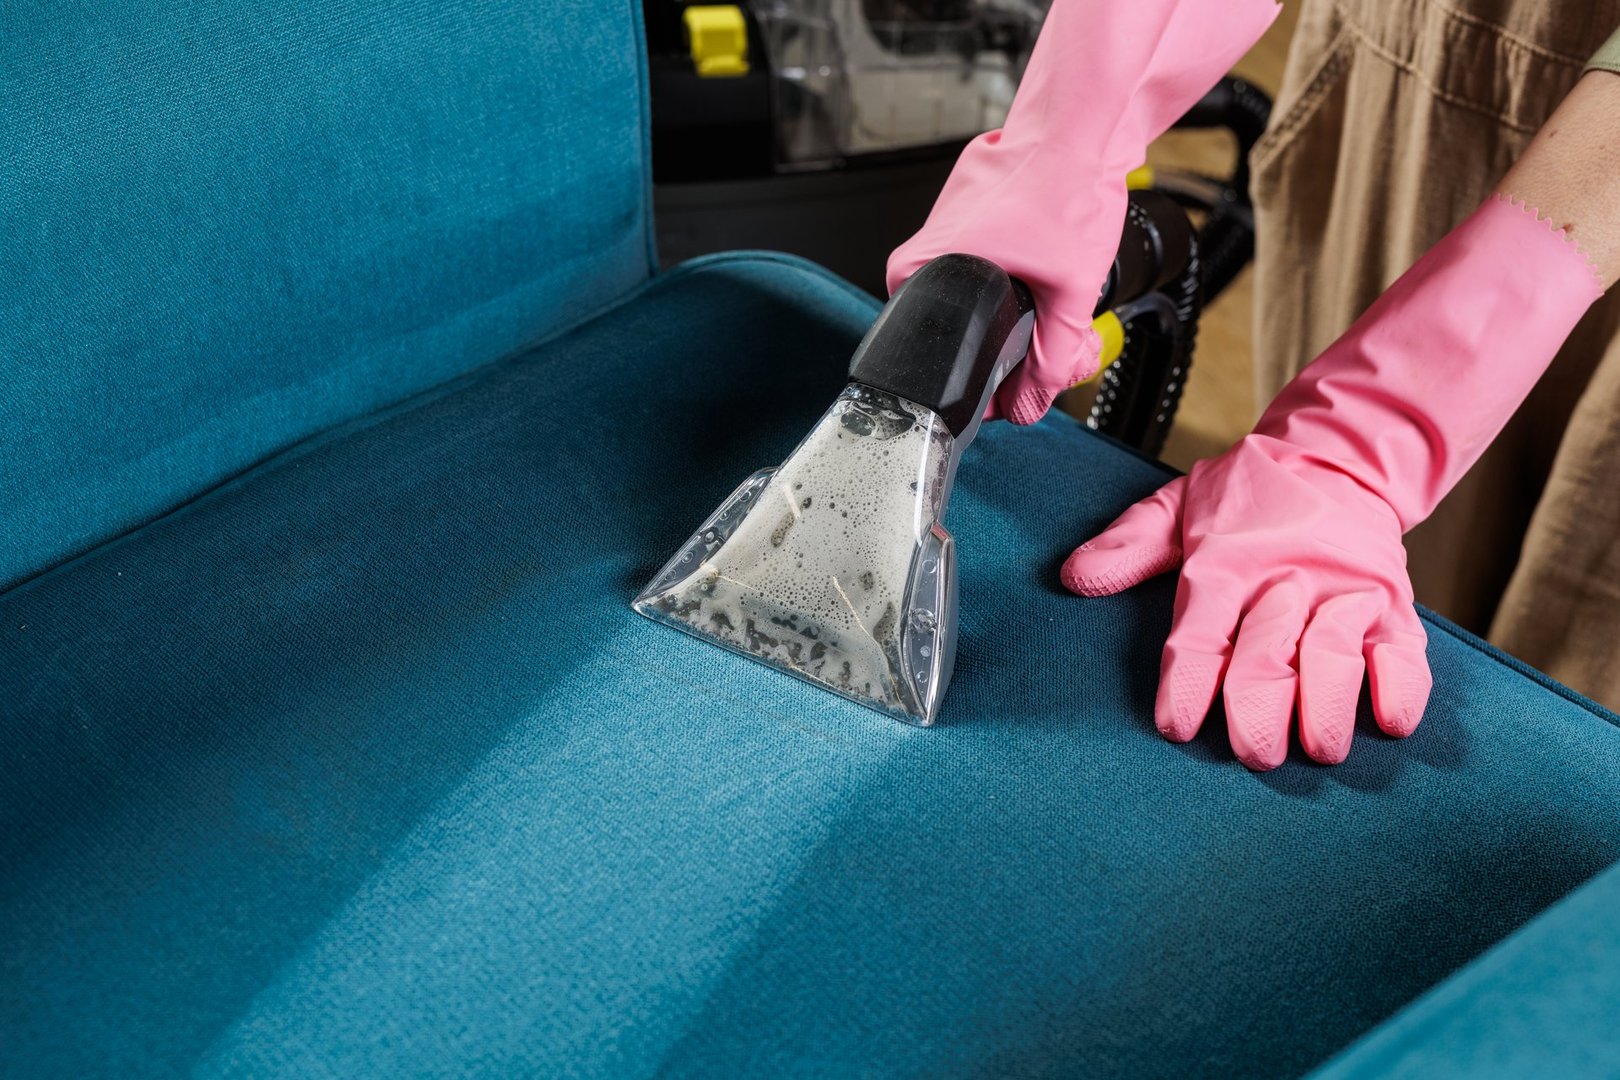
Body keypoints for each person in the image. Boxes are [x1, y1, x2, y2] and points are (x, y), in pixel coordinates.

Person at [888, 0, 1620, 768]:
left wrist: (1367, 435)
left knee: (1567, 675)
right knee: (1361, 588)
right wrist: (1068, 134)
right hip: (1459, 47)